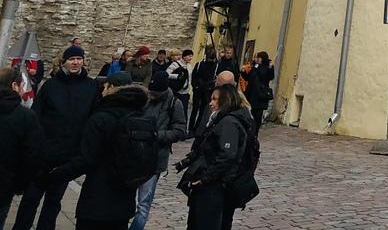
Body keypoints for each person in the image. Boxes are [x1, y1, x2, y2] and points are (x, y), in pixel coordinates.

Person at [47, 71, 154, 230]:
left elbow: (86, 159)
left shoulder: (102, 117)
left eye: (104, 87)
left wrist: (53, 175)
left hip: (97, 198)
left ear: (110, 87)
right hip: (124, 199)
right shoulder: (139, 115)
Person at [12, 45, 100, 230]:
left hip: (67, 157)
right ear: (64, 62)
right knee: (30, 199)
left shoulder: (91, 87)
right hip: (43, 155)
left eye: (79, 59)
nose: (75, 62)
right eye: (71, 59)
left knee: (53, 202)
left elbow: (93, 120)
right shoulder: (51, 85)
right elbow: (36, 116)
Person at [176, 83, 255, 230]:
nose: (210, 103)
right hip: (212, 183)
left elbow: (227, 155)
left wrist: (205, 178)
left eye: (214, 99)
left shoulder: (228, 122)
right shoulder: (220, 119)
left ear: (225, 100)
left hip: (214, 186)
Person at [128, 76, 186, 230]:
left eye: (155, 94)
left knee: (143, 204)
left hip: (155, 159)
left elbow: (180, 130)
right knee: (125, 199)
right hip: (135, 156)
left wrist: (157, 135)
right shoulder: (143, 98)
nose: (151, 96)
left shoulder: (174, 103)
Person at [0, 66, 45, 227]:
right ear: (14, 86)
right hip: (5, 184)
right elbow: (31, 155)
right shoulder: (26, 117)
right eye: (22, 85)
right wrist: (20, 184)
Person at [241, 53, 274, 134]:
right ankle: (249, 131)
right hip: (251, 94)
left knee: (258, 116)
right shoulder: (255, 67)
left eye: (259, 58)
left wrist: (271, 68)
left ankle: (255, 133)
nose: (257, 59)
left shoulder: (267, 68)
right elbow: (248, 77)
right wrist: (243, 72)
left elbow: (270, 77)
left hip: (260, 95)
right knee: (250, 114)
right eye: (257, 57)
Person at [189, 48, 217, 133]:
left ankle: (197, 128)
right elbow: (194, 77)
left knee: (203, 110)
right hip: (198, 90)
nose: (210, 60)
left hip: (208, 91)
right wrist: (195, 86)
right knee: (195, 109)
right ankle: (191, 129)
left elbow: (215, 78)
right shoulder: (199, 64)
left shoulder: (216, 66)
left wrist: (210, 87)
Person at [168, 50, 194, 121]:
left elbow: (190, 78)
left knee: (184, 111)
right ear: (184, 56)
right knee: (174, 109)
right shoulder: (175, 64)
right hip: (176, 91)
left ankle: (183, 125)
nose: (191, 58)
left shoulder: (189, 66)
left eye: (191, 56)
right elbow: (166, 74)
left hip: (185, 92)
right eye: (189, 56)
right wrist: (177, 76)